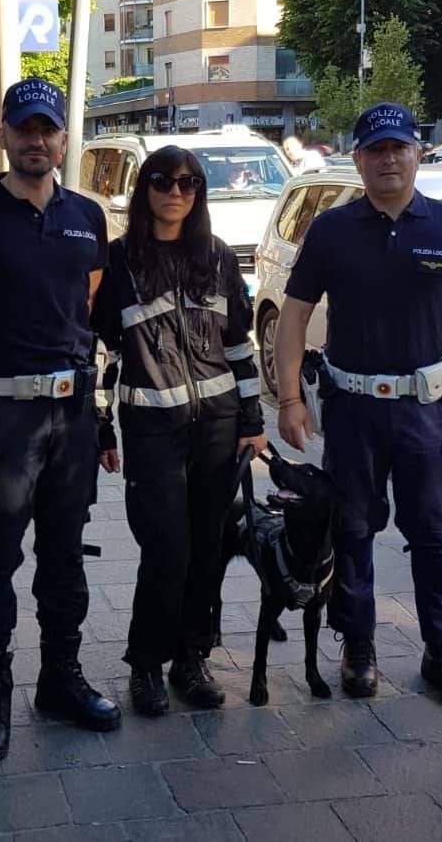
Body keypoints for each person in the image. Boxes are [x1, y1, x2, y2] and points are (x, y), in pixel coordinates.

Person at [274, 103, 442, 712]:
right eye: (375, 150)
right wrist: (290, 398)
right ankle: (358, 644)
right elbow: (293, 317)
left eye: (398, 147)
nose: (388, 159)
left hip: (427, 413)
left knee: (435, 532)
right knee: (352, 529)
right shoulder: (331, 231)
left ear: (417, 154)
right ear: (357, 159)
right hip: (352, 411)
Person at [0, 78, 121, 764]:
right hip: (6, 419)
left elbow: (87, 309)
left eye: (47, 129)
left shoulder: (87, 217)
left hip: (71, 417)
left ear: (62, 140)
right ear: (4, 136)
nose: (36, 140)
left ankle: (60, 678)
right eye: (24, 129)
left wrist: (96, 414)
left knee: (65, 553)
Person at [93, 145, 266, 716]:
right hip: (152, 430)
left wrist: (252, 420)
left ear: (199, 193)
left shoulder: (217, 257)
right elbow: (100, 350)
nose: (175, 192)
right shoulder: (119, 261)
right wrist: (102, 426)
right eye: (163, 181)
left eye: (188, 183)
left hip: (217, 427)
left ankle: (192, 658)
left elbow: (238, 345)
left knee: (208, 550)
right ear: (145, 188)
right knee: (166, 549)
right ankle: (146, 661)